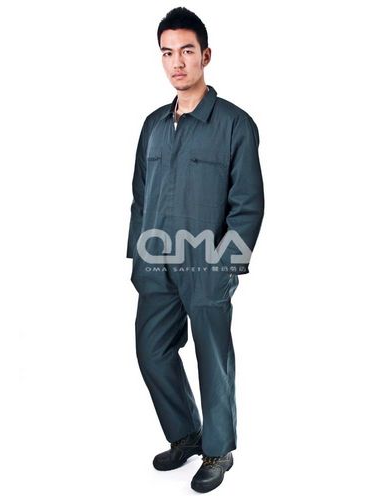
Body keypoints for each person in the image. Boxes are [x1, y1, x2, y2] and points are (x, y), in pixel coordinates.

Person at [126, 7, 264, 493]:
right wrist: (138, 258)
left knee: (212, 359)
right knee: (151, 351)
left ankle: (218, 449)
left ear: (205, 55)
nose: (177, 62)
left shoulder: (234, 125)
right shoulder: (153, 125)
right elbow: (140, 196)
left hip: (206, 264)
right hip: (156, 264)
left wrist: (227, 264)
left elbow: (248, 204)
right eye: (167, 53)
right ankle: (186, 433)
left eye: (186, 51)